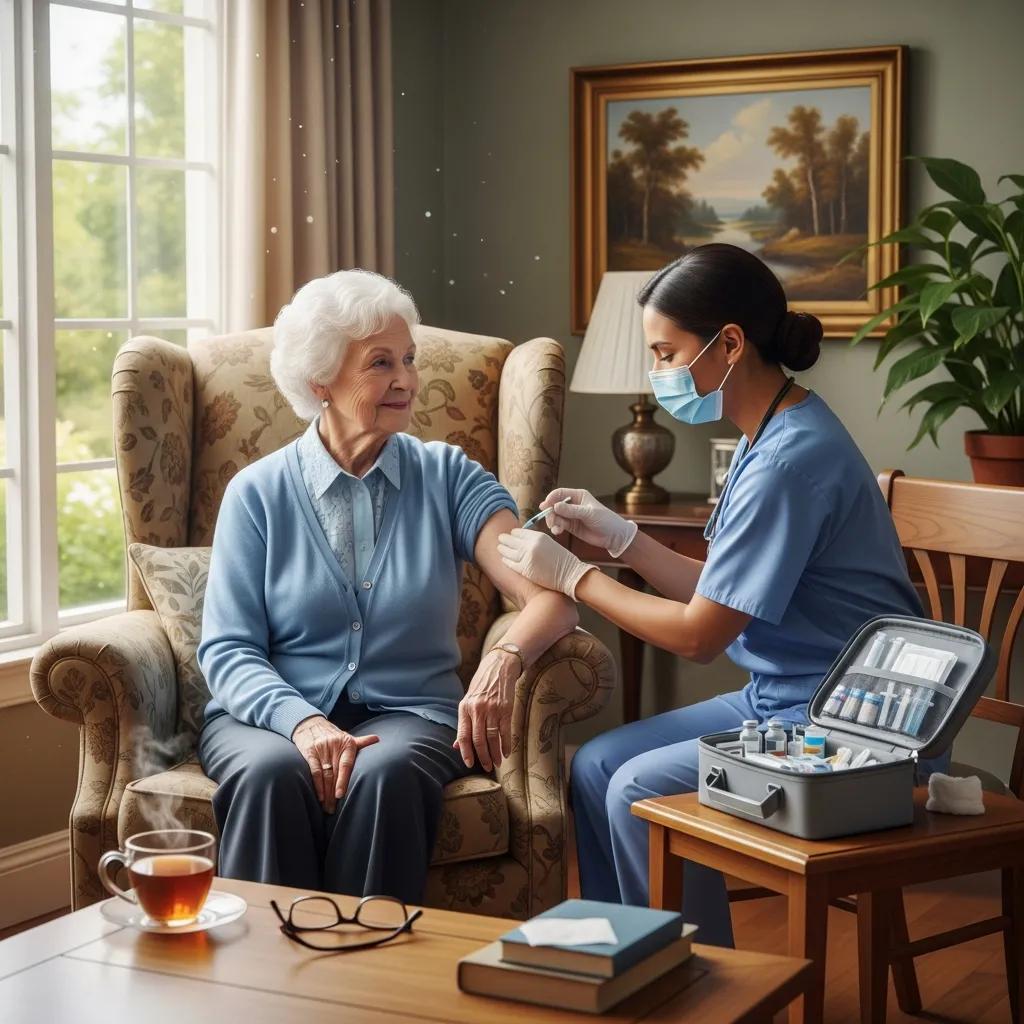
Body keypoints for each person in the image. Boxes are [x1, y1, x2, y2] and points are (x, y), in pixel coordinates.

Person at [496, 243, 925, 946]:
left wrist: (576, 577)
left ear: (728, 343)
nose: (658, 373)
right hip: (785, 697)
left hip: (852, 721)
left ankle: (706, 985)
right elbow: (725, 592)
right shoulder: (771, 432)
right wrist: (621, 538)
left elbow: (700, 636)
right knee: (598, 763)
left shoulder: (787, 460)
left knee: (638, 786)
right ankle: (633, 958)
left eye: (666, 354)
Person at [197, 269, 578, 905]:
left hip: (410, 716)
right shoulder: (256, 494)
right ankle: (264, 986)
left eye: (408, 359)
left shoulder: (448, 476)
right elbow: (228, 650)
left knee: (385, 774)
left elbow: (552, 598)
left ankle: (368, 977)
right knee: (269, 775)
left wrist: (501, 660)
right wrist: (305, 724)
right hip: (267, 718)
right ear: (320, 381)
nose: (406, 379)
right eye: (381, 363)